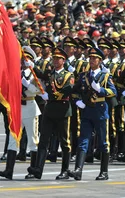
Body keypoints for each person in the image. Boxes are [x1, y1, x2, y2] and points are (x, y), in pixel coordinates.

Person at [69, 47, 116, 180]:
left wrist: (100, 89)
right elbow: (75, 91)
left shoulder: (106, 76)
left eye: (94, 58)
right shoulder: (84, 75)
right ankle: (78, 170)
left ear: (100, 61)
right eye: (90, 58)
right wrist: (78, 101)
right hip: (87, 110)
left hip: (100, 110)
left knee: (103, 142)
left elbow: (113, 92)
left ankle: (104, 172)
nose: (92, 60)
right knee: (83, 140)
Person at [26, 47, 74, 180]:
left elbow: (67, 90)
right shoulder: (50, 73)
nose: (55, 60)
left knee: (64, 142)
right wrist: (32, 66)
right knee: (43, 141)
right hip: (49, 110)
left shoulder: (68, 75)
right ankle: (38, 169)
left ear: (63, 61)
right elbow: (40, 74)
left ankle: (65, 170)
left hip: (62, 110)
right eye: (54, 58)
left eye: (58, 58)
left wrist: (50, 96)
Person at [0, 46, 43, 180]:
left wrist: (27, 84)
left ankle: (33, 170)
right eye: (22, 59)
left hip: (30, 107)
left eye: (26, 59)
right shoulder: (16, 73)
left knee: (33, 141)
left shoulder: (34, 74)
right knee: (13, 139)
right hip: (17, 108)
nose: (23, 61)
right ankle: (9, 170)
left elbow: (40, 90)